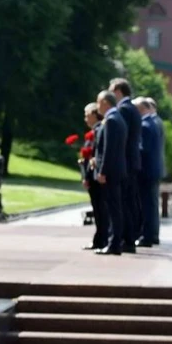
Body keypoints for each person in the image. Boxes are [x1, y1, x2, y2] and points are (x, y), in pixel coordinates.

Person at [108, 78, 143, 252]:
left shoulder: (123, 109)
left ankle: (127, 239)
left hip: (126, 162)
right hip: (132, 161)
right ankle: (129, 238)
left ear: (118, 91)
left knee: (124, 202)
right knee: (129, 202)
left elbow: (121, 138)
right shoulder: (132, 108)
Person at [93, 90, 127, 256]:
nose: (97, 106)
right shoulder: (117, 118)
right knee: (114, 207)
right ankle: (114, 242)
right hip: (115, 171)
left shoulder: (112, 120)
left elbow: (109, 150)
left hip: (111, 172)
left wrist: (102, 171)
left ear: (106, 102)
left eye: (98, 102)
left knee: (113, 208)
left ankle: (114, 244)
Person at [76, 103, 107, 251]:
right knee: (98, 209)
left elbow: (95, 154)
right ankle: (100, 238)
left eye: (87, 115)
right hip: (92, 175)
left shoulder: (98, 131)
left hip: (96, 176)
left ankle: (101, 239)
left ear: (95, 115)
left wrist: (88, 175)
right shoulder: (95, 131)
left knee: (100, 209)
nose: (85, 119)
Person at [135, 97, 165, 247]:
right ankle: (152, 235)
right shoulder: (154, 122)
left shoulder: (146, 125)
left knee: (147, 205)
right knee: (151, 205)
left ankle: (147, 236)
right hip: (154, 170)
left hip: (147, 171)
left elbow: (143, 149)